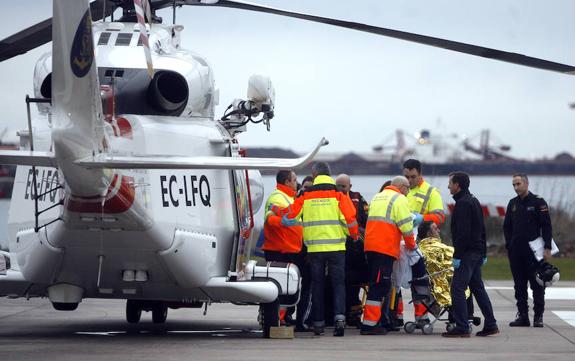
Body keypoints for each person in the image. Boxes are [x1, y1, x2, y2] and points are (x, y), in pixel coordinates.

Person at [271, 162, 358, 337]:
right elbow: (350, 219)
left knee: (317, 285)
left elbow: (290, 214)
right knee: (338, 285)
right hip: (336, 248)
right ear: (329, 174)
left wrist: (274, 209)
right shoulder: (339, 194)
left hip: (314, 249)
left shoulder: (305, 195)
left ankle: (318, 323)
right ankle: (339, 320)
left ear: (314, 174)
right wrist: (354, 235)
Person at [442, 171, 498, 337]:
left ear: (457, 185)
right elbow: (482, 229)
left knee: (457, 289)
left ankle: (462, 327)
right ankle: (491, 324)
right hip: (477, 251)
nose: (448, 186)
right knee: (477, 288)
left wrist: (457, 256)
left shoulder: (463, 204)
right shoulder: (473, 200)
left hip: (467, 254)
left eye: (450, 183)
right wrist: (484, 252)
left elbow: (463, 234)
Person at [360, 176, 416, 335]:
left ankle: (375, 321)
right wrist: (411, 246)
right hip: (384, 248)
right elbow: (406, 225)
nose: (407, 192)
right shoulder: (399, 199)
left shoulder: (378, 197)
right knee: (380, 286)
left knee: (376, 284)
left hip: (371, 247)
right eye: (408, 189)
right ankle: (370, 325)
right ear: (402, 187)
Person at [262, 170, 310, 331]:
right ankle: (277, 319)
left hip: (290, 248)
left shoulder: (289, 197)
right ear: (287, 181)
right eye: (295, 180)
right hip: (280, 249)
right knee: (281, 288)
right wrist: (283, 222)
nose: (297, 182)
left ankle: (284, 317)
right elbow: (271, 219)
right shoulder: (278, 197)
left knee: (289, 286)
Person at [400, 159, 446, 324]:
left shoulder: (431, 192)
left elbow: (440, 216)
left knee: (421, 281)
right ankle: (397, 316)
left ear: (420, 174)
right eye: (407, 177)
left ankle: (422, 316)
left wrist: (421, 219)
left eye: (413, 176)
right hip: (404, 241)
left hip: (423, 242)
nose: (410, 180)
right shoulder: (402, 190)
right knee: (398, 280)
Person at [504, 173, 553, 328]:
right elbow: (507, 227)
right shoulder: (512, 203)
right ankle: (523, 316)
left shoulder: (538, 202)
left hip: (534, 253)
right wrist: (509, 246)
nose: (516, 187)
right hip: (516, 252)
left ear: (526, 183)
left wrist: (547, 248)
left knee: (537, 285)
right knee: (519, 286)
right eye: (513, 185)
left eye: (518, 184)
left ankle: (538, 316)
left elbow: (546, 226)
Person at [335, 174, 369, 325]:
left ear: (350, 186)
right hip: (338, 246)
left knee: (355, 283)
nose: (341, 189)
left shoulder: (358, 198)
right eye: (338, 186)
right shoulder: (332, 198)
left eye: (343, 186)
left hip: (357, 247)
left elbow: (368, 219)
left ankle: (354, 315)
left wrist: (361, 233)